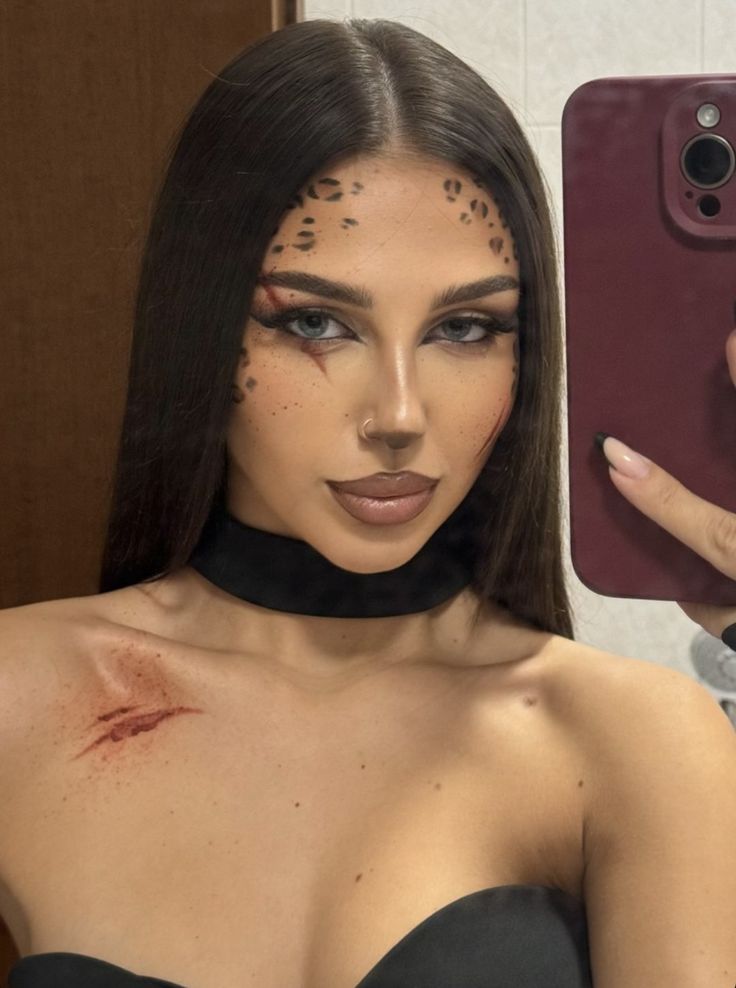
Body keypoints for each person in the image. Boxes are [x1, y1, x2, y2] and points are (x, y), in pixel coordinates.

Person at [1, 17, 734, 988]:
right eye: (315, 321)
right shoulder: (21, 693)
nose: (397, 413)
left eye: (465, 327)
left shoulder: (634, 734)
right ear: (199, 325)